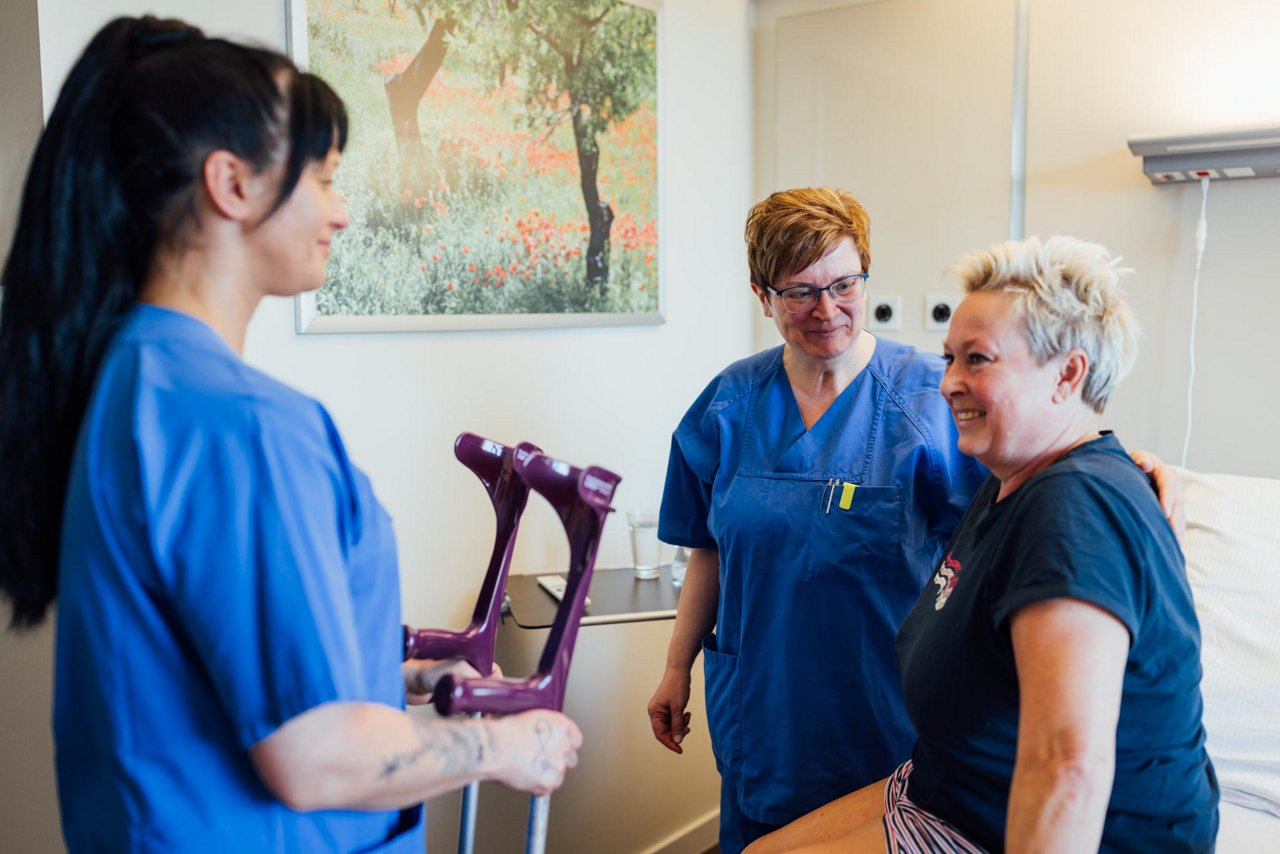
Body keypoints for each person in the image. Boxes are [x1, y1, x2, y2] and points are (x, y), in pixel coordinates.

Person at [0, 16, 580, 852]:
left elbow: (204, 670)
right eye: (323, 176)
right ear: (231, 185)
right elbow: (314, 760)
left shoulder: (134, 378)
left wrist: (402, 679)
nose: (341, 212)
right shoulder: (243, 426)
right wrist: (505, 745)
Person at [645, 189, 1182, 853]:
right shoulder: (728, 403)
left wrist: (1128, 462)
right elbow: (709, 550)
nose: (826, 309)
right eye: (799, 291)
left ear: (865, 271)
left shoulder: (937, 399)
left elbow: (1041, 467)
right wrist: (676, 666)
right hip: (764, 709)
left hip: (880, 713)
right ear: (763, 295)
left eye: (843, 283)